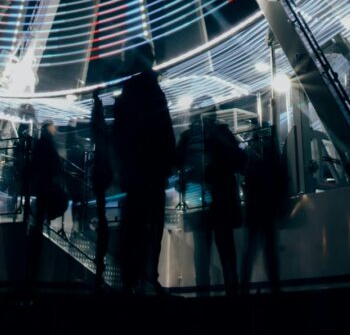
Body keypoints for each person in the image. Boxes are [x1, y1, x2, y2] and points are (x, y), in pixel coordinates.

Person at [113, 42, 176, 294]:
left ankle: (134, 278)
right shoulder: (150, 88)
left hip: (137, 171)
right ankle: (147, 276)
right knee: (150, 227)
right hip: (151, 170)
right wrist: (169, 159)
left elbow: (120, 133)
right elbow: (163, 127)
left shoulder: (130, 89)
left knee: (137, 225)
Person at [176, 95, 244, 297]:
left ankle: (203, 299)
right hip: (221, 201)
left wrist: (184, 179)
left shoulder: (188, 137)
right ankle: (232, 297)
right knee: (225, 253)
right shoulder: (222, 133)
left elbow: (176, 163)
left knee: (203, 256)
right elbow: (240, 160)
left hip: (199, 204)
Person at [240, 123, 287, 294]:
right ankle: (274, 288)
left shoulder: (251, 157)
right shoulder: (272, 156)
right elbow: (281, 180)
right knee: (269, 252)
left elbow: (247, 180)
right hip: (267, 208)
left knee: (251, 251)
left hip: (255, 209)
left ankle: (244, 288)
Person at [24, 121, 68, 299]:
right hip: (46, 184)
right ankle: (40, 227)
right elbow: (52, 162)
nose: (56, 128)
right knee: (47, 207)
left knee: (43, 209)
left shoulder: (42, 142)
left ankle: (39, 226)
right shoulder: (47, 142)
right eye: (54, 126)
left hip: (42, 184)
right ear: (49, 128)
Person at [90, 91, 113, 291]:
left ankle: (101, 256)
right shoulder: (106, 136)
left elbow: (95, 124)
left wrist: (96, 103)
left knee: (101, 213)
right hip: (105, 176)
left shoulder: (100, 137)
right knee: (102, 215)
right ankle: (101, 255)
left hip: (101, 176)